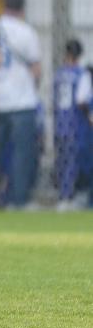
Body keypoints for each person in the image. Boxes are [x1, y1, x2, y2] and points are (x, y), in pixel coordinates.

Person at [0, 0, 41, 209]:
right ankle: (18, 200)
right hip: (22, 102)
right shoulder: (27, 32)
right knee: (22, 154)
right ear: (22, 8)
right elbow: (36, 69)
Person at [53, 39, 92, 211]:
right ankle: (69, 197)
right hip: (76, 124)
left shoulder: (59, 74)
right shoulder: (81, 74)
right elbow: (81, 100)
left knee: (62, 160)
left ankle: (63, 194)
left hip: (60, 122)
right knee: (75, 161)